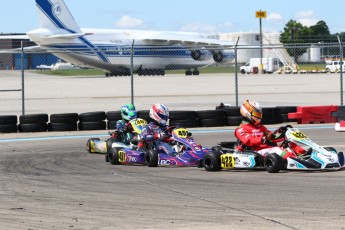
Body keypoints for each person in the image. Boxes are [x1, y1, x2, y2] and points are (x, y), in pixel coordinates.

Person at [234, 99, 306, 159]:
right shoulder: (241, 129)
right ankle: (294, 160)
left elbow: (271, 137)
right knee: (277, 150)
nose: (258, 117)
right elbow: (248, 140)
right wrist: (262, 139)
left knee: (289, 144)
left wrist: (280, 133)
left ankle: (305, 156)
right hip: (255, 152)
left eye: (259, 115)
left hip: (268, 150)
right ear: (247, 113)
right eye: (256, 115)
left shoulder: (260, 127)